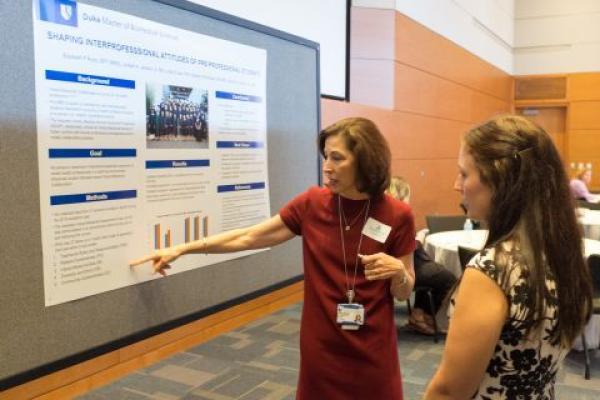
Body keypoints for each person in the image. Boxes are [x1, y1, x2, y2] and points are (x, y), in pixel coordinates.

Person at [131, 117, 416, 399]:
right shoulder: (312, 204)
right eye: (325, 156)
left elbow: (404, 291)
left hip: (372, 349)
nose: (327, 167)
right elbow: (248, 237)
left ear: (365, 160)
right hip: (323, 348)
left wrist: (399, 274)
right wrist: (183, 248)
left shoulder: (397, 215)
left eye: (337, 158)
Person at [424, 115, 593, 399]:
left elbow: (450, 391)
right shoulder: (559, 252)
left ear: (501, 180)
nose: (457, 185)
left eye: (465, 174)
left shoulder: (492, 270)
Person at [387, 176, 457, 335]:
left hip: (414, 263)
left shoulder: (388, 214)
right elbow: (404, 249)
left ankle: (419, 313)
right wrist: (419, 239)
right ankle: (423, 316)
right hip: (411, 266)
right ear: (401, 195)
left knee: (435, 271)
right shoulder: (401, 216)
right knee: (449, 279)